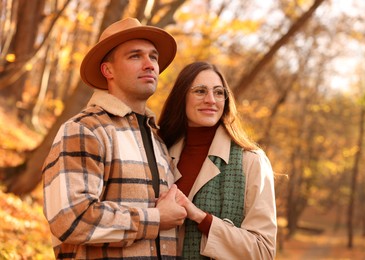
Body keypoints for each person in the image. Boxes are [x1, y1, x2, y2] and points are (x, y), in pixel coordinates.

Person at [42, 17, 187, 259]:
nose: (149, 64)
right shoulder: (85, 129)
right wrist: (156, 218)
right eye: (135, 56)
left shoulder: (158, 141)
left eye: (153, 56)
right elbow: (71, 218)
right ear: (107, 70)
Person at [157, 61, 277, 259]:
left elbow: (263, 251)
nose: (211, 100)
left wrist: (200, 217)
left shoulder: (252, 161)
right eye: (200, 91)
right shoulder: (158, 153)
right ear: (181, 98)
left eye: (219, 92)